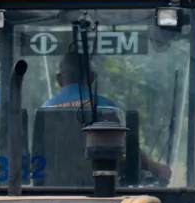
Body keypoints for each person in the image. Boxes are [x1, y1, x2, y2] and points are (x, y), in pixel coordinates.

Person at [42, 55, 171, 180]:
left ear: (59, 79)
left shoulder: (46, 109)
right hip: (102, 187)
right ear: (92, 78)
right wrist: (156, 168)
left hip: (53, 187)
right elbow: (126, 147)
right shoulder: (107, 108)